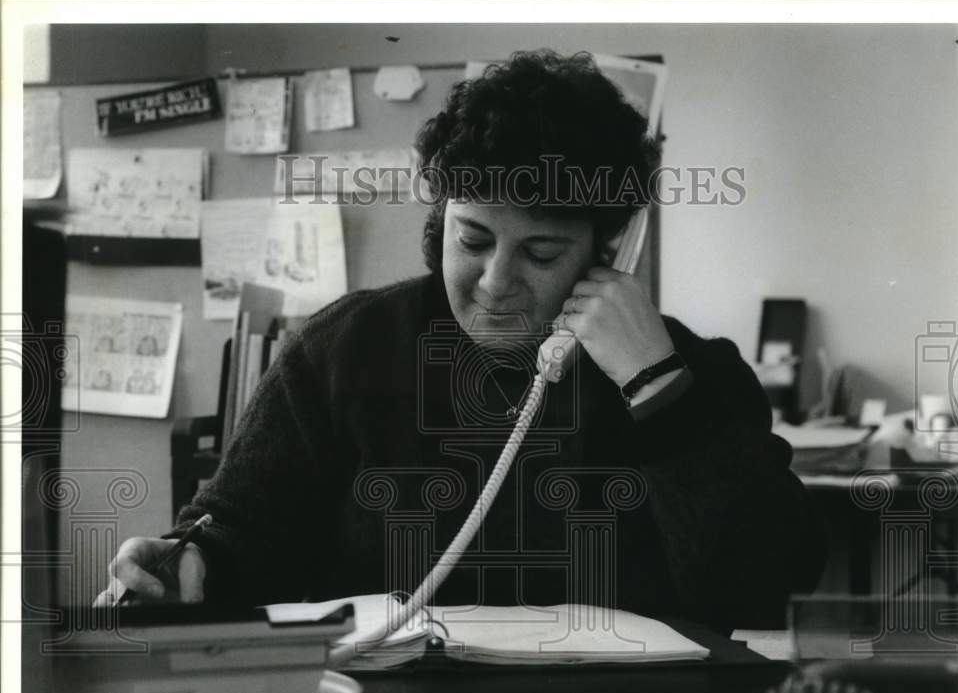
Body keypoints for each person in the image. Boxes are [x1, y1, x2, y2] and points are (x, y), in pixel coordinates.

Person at [97, 50, 825, 631]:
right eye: (471, 239)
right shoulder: (342, 352)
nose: (494, 282)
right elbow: (238, 533)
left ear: (609, 251)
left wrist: (658, 391)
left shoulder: (690, 374)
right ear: (438, 220)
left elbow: (766, 589)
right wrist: (192, 565)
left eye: (541, 255)